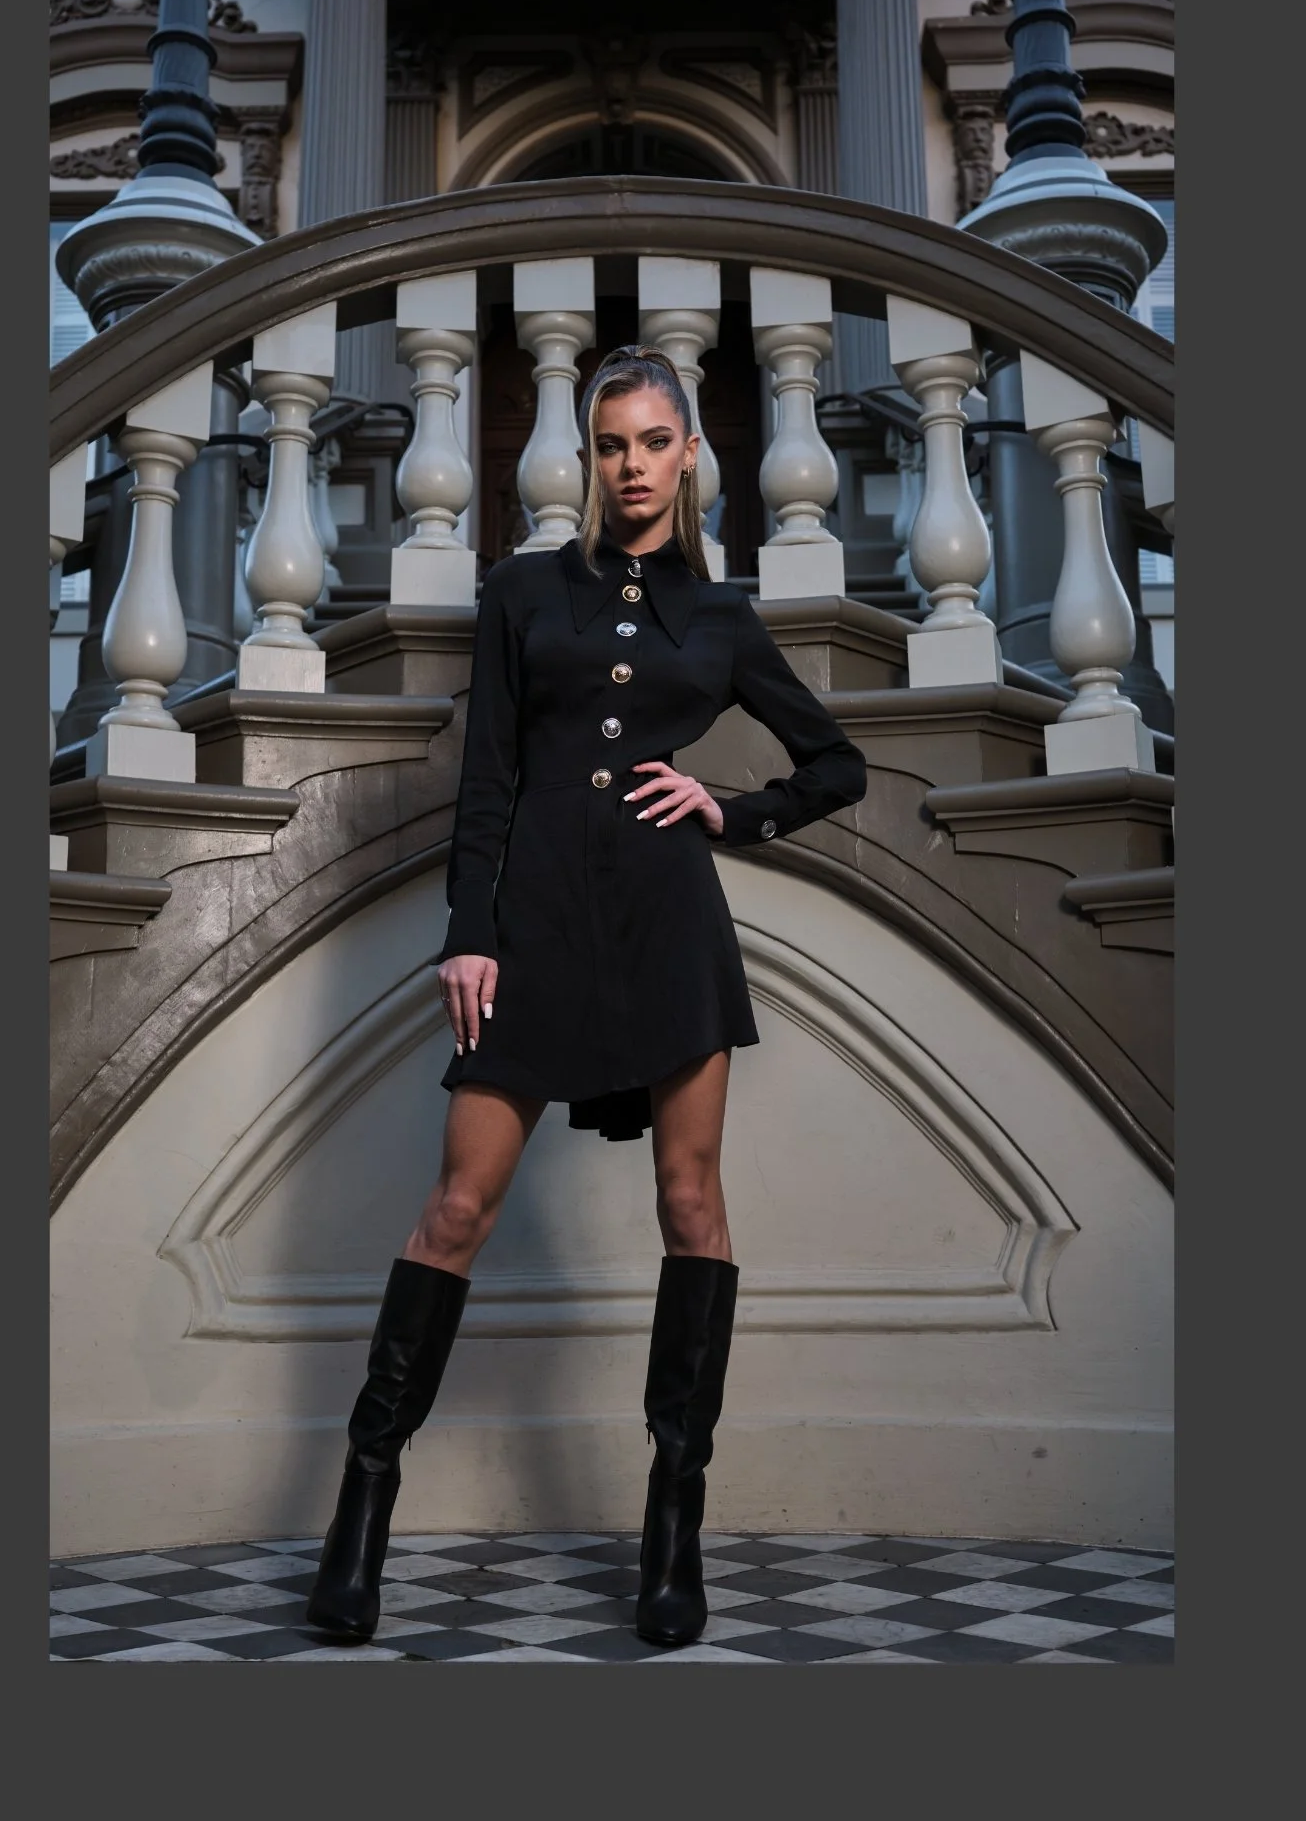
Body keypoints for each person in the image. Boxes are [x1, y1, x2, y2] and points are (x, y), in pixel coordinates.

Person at [305, 345, 868, 1648]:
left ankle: (674, 1541)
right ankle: (360, 1519)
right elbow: (489, 777)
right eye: (611, 443)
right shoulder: (520, 591)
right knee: (458, 1204)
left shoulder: (719, 616)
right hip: (537, 928)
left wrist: (732, 806)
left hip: (669, 926)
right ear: (587, 455)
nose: (631, 465)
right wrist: (469, 934)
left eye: (654, 442)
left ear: (687, 455)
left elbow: (836, 764)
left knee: (690, 1202)